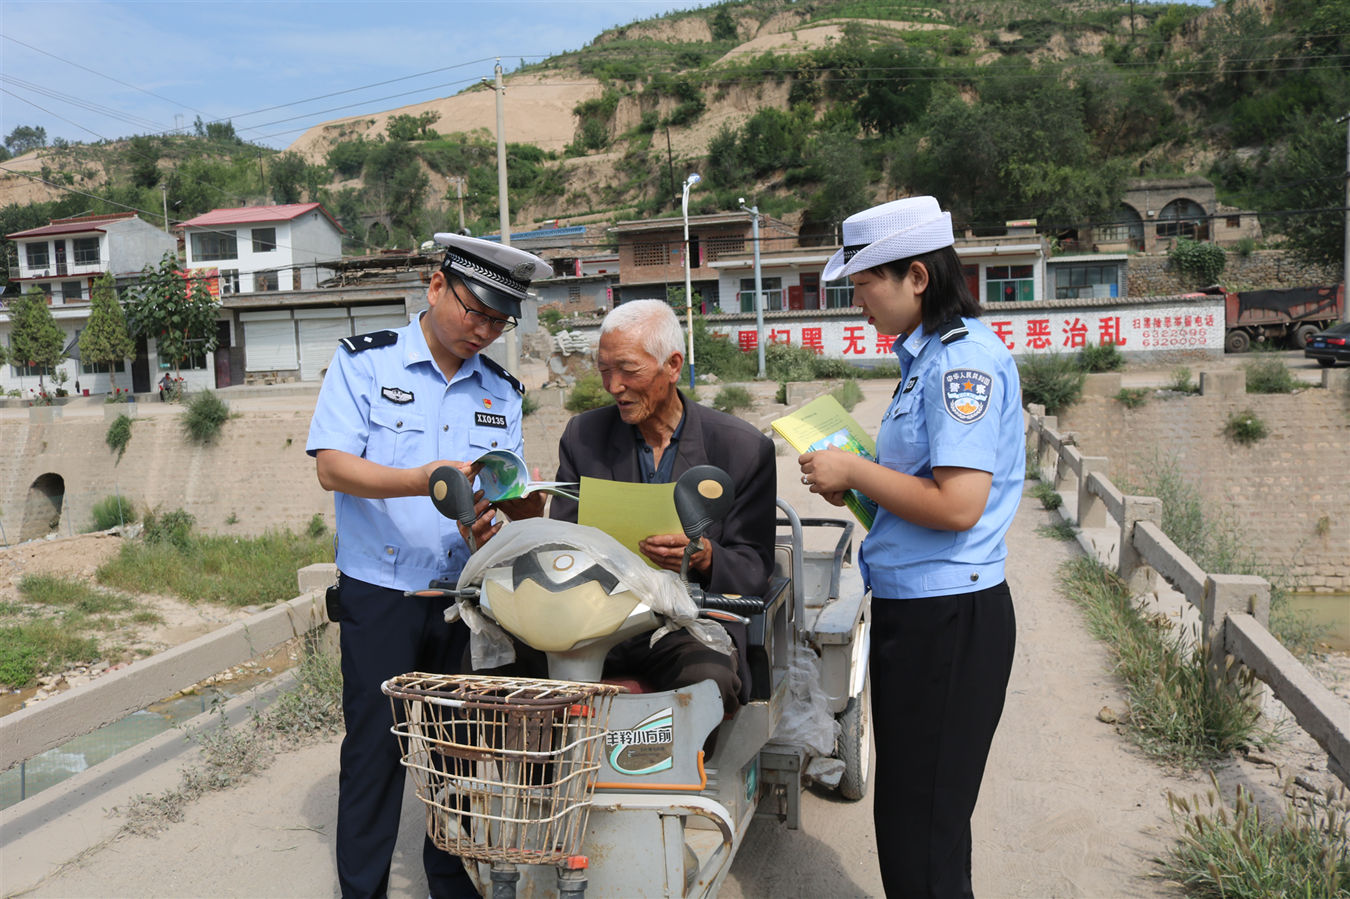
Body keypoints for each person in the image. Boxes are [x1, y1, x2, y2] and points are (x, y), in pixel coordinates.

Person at [306, 232, 550, 899]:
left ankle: (452, 880)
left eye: (499, 321)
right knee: (375, 755)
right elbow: (332, 465)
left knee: (458, 752)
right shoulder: (365, 363)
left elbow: (500, 489)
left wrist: (498, 517)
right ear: (436, 284)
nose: (484, 330)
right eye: (475, 310)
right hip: (382, 592)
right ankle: (363, 889)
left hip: (462, 598)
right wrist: (423, 480)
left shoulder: (500, 389)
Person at [796, 196, 1023, 898]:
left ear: (916, 277)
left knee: (919, 832)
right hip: (917, 611)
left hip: (949, 621)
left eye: (865, 286)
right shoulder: (924, 358)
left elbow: (958, 505)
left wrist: (858, 471)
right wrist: (862, 487)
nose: (857, 303)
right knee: (922, 824)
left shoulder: (963, 365)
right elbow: (921, 488)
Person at [547, 299, 777, 713]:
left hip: (690, 623)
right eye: (604, 370)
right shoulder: (584, 436)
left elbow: (754, 567)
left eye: (628, 370)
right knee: (508, 672)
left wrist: (707, 559)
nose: (613, 386)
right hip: (597, 620)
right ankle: (544, 779)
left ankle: (676, 778)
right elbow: (560, 540)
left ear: (672, 366)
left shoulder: (742, 449)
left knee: (707, 681)